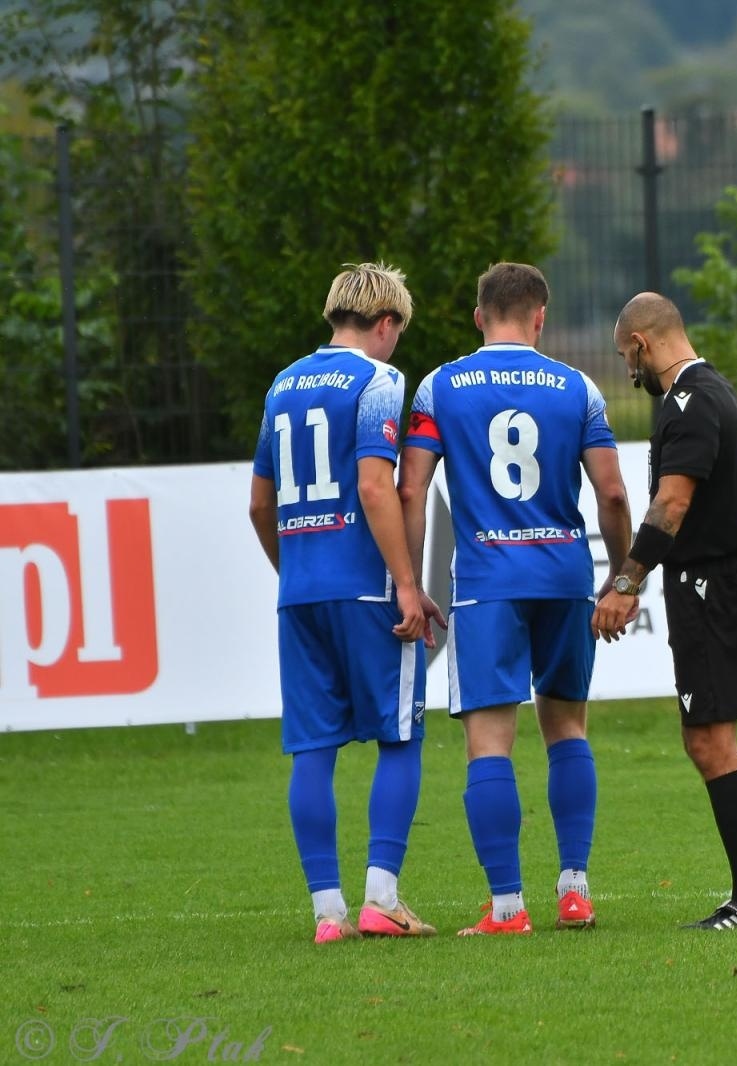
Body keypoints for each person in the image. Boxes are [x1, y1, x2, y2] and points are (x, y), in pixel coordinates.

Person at [398, 262, 633, 935]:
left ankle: (507, 908)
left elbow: (411, 490)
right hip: (562, 576)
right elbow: (612, 493)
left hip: (486, 586)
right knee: (568, 731)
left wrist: (411, 583)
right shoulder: (578, 387)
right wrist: (620, 577)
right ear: (540, 318)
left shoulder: (441, 387)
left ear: (479, 317)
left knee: (490, 745)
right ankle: (575, 890)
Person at [592, 291, 737, 930]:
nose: (628, 373)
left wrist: (625, 583)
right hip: (718, 583)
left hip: (710, 587)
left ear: (641, 344)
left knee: (709, 742)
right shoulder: (711, 389)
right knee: (717, 741)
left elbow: (670, 507)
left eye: (625, 359)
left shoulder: (687, 403)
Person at [247, 261, 442, 944]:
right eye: (398, 332)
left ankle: (327, 912)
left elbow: (259, 503)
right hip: (366, 587)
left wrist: (293, 571)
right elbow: (373, 486)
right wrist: (409, 583)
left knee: (314, 749)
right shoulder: (379, 380)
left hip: (299, 591)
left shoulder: (283, 384)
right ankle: (381, 898)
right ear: (385, 324)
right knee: (401, 735)